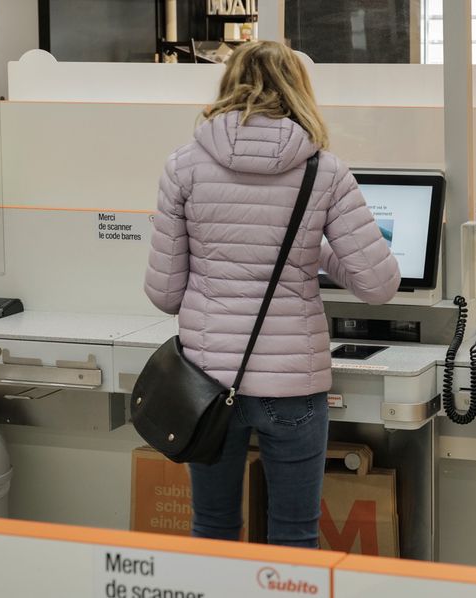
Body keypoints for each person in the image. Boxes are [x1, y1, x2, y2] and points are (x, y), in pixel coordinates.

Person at [143, 41, 401, 547]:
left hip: (206, 382)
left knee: (212, 526)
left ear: (228, 85)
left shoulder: (183, 167)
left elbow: (165, 294)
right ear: (298, 91)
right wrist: (314, 254)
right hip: (293, 385)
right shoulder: (324, 171)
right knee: (294, 532)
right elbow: (378, 285)